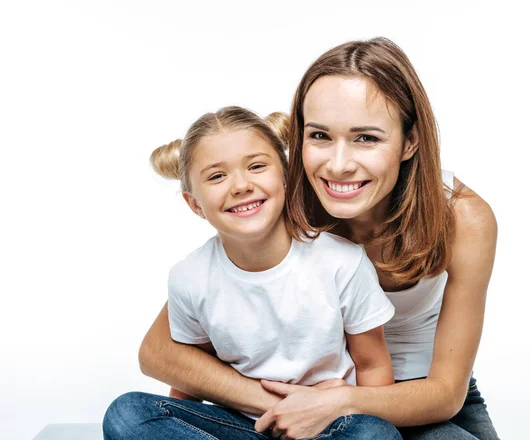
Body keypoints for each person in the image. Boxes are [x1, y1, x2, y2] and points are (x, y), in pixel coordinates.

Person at [132, 37, 500, 440]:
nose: (338, 166)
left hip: (418, 394)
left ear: (410, 141)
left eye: (367, 138)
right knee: (129, 415)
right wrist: (280, 403)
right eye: (320, 136)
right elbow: (160, 352)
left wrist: (339, 402)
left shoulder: (463, 219)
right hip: (292, 395)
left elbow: (446, 394)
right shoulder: (277, 202)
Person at [102, 106, 402, 440]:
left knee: (374, 433)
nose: (241, 185)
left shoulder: (341, 263)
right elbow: (190, 375)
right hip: (245, 427)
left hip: (328, 424)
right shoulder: (190, 278)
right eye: (217, 176)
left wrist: (347, 406)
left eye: (256, 166)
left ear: (286, 177)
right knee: (128, 413)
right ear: (194, 204)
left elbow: (373, 367)